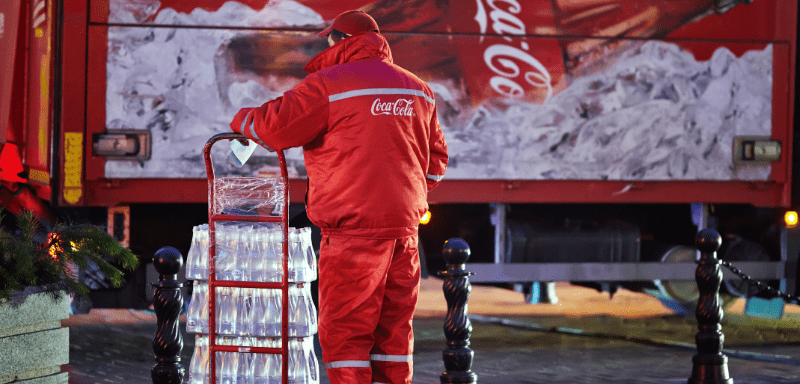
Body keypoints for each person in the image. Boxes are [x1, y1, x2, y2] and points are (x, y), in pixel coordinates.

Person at [229, 10, 448, 384]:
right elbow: (435, 164)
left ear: (338, 40)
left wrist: (240, 121)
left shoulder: (328, 85)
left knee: (346, 331)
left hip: (352, 231)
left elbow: (272, 128)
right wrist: (399, 194)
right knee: (394, 331)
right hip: (403, 230)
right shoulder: (417, 88)